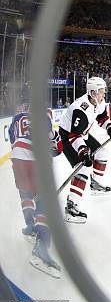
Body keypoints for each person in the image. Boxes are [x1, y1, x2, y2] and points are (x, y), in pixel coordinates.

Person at [9, 102, 63, 278]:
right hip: (33, 158)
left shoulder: (17, 117)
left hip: (17, 157)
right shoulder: (44, 113)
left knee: (26, 193)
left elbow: (13, 139)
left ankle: (30, 225)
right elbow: (55, 147)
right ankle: (41, 247)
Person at [58, 77, 111, 223]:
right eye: (101, 92)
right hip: (67, 138)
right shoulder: (80, 108)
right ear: (92, 93)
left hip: (82, 134)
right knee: (83, 169)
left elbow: (102, 118)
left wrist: (110, 127)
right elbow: (74, 136)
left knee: (102, 152)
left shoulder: (98, 102)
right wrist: (83, 152)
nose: (103, 94)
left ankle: (95, 184)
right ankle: (71, 207)